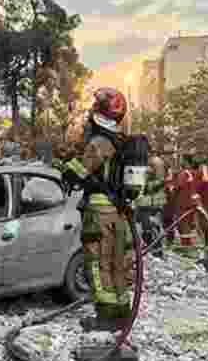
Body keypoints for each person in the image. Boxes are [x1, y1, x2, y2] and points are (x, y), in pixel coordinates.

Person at [60, 87, 135, 333]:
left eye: (95, 107)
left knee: (98, 263)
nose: (90, 111)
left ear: (100, 114)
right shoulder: (121, 140)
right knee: (117, 264)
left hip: (100, 212)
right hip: (119, 213)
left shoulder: (100, 141)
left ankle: (105, 317)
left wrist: (64, 164)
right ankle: (122, 314)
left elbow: (79, 172)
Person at [133, 151, 167, 257]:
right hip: (144, 201)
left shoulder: (155, 162)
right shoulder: (145, 162)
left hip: (151, 202)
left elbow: (160, 181)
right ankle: (152, 250)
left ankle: (156, 252)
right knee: (144, 227)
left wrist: (147, 186)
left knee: (150, 227)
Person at [172, 154, 200, 247]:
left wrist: (171, 189)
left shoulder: (183, 174)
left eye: (181, 160)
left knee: (183, 225)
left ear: (185, 161)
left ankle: (186, 246)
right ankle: (190, 244)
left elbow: (177, 187)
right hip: (192, 203)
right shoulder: (195, 172)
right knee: (189, 225)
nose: (180, 162)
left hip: (182, 203)